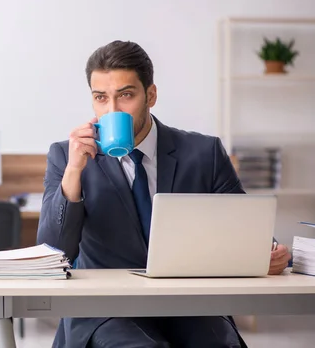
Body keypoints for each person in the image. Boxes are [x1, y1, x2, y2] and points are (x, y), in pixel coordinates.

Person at [36, 40, 292, 348]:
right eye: (101, 98)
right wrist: (74, 171)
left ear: (151, 95)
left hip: (190, 305)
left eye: (126, 95)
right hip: (104, 310)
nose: (112, 110)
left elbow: (245, 229)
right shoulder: (68, 156)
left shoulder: (203, 153)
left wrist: (268, 251)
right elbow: (53, 251)